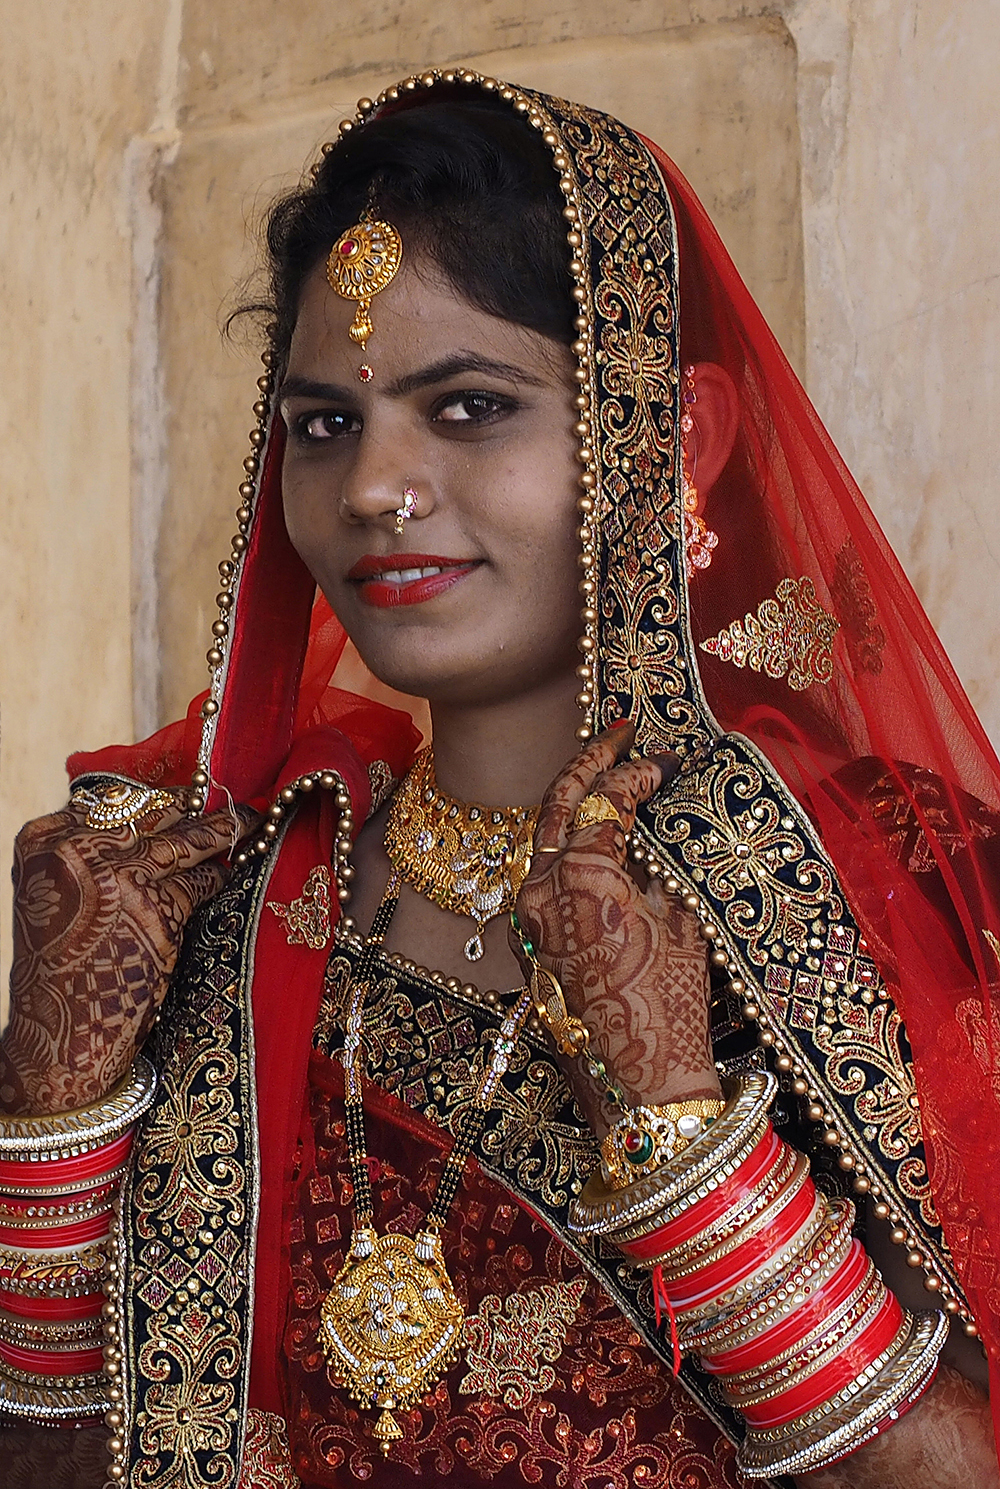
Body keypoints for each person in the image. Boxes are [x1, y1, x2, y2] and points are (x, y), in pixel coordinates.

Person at [1, 69, 998, 1489]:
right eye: (325, 424)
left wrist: (676, 1121)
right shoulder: (208, 898)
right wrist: (53, 1117)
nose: (372, 489)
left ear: (670, 439)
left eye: (468, 407)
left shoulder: (864, 877)